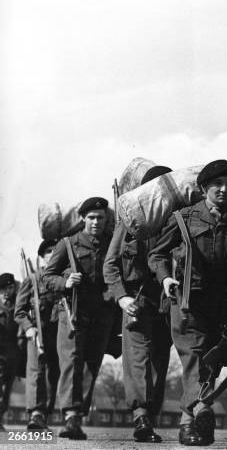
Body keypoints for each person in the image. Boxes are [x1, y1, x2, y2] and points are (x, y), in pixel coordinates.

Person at [148, 160, 227, 447]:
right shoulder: (183, 218)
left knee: (211, 360)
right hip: (186, 301)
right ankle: (202, 408)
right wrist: (166, 278)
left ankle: (188, 423)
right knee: (194, 356)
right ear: (204, 188)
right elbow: (156, 255)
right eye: (217, 185)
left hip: (225, 302)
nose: (223, 190)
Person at [103, 165, 173, 443]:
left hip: (168, 303)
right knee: (137, 360)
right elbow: (110, 265)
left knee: (160, 360)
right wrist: (122, 297)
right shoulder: (129, 221)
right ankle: (141, 416)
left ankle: (150, 414)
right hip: (137, 301)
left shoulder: (179, 217)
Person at [43, 197, 114, 440]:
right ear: (83, 218)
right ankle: (71, 416)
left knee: (92, 363)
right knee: (72, 361)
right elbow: (47, 276)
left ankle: (79, 414)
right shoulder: (68, 244)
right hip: (72, 311)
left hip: (101, 313)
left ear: (106, 220)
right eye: (91, 218)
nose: (96, 222)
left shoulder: (111, 243)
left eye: (100, 218)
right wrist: (65, 282)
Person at [14, 240, 60, 430]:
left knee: (53, 375)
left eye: (55, 251)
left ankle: (44, 414)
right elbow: (19, 311)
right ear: (42, 257)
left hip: (57, 335)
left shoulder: (61, 278)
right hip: (36, 334)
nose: (52, 254)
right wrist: (28, 327)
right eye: (48, 251)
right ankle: (35, 414)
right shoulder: (32, 279)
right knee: (36, 372)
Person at [0, 273, 19, 431]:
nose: (6, 292)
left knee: (7, 388)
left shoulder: (18, 304)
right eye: (3, 289)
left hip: (13, 353)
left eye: (9, 288)